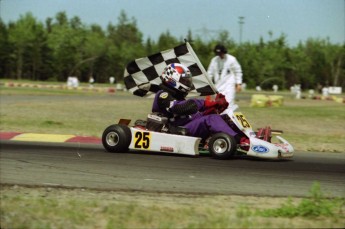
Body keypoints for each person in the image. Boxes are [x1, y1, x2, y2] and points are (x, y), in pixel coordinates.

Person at [151, 63, 239, 141]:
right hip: (174, 131)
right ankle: (235, 139)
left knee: (227, 118)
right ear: (172, 79)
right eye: (184, 81)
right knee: (211, 119)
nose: (187, 83)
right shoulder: (163, 95)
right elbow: (179, 108)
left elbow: (189, 116)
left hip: (184, 127)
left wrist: (210, 110)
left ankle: (245, 138)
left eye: (187, 81)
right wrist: (205, 103)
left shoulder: (177, 96)